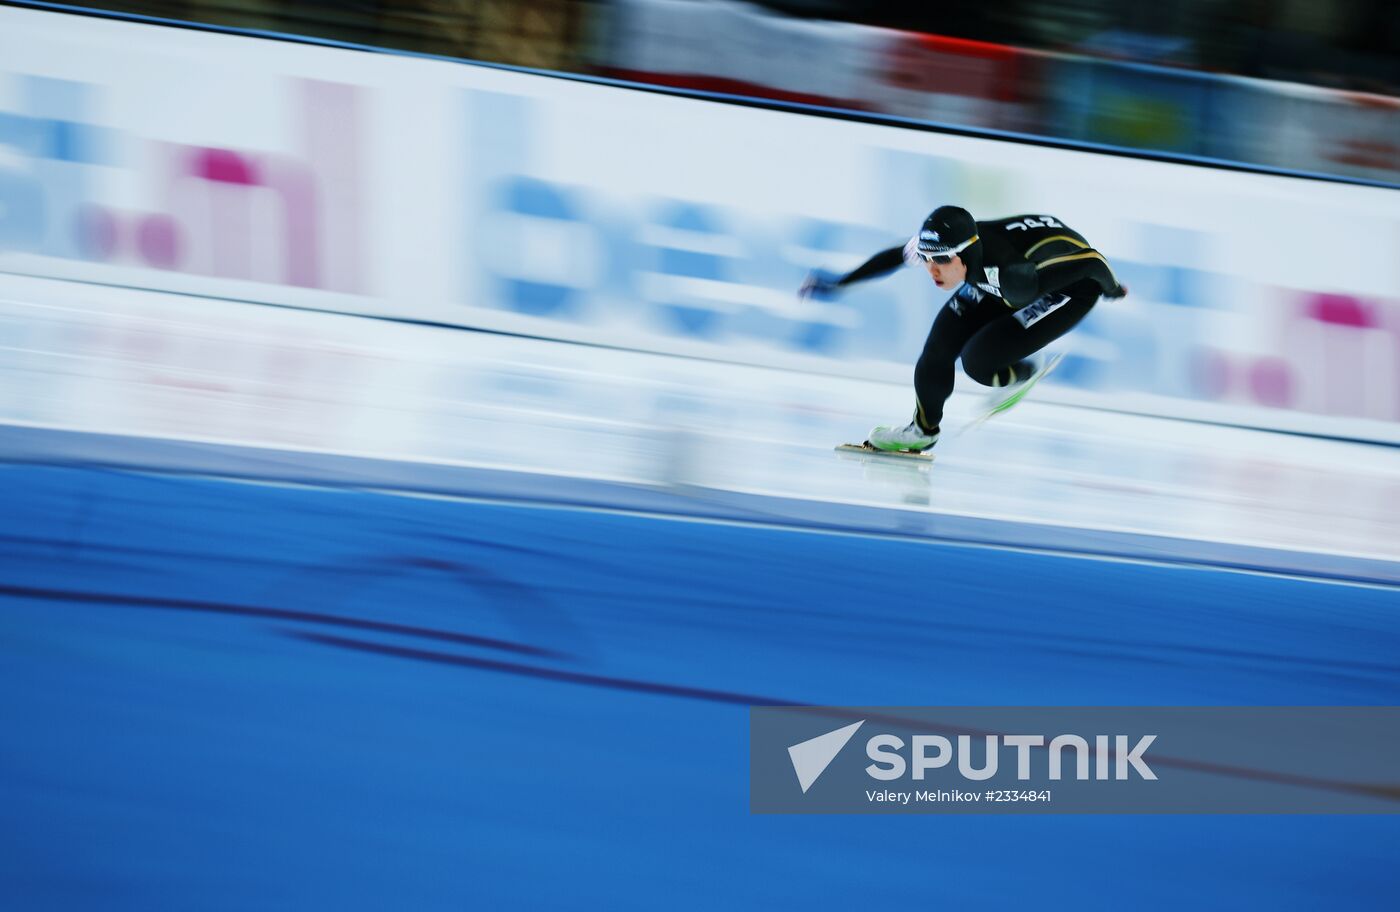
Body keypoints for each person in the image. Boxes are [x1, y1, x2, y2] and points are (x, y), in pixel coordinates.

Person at [800, 205, 1127, 452]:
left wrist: (1112, 289)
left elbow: (1092, 262)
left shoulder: (1015, 275)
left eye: (941, 261)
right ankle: (922, 432)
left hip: (1067, 288)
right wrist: (838, 283)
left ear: (962, 256)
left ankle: (1025, 369)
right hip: (992, 277)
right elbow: (894, 258)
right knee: (938, 347)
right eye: (927, 259)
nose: (932, 270)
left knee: (978, 362)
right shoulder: (952, 250)